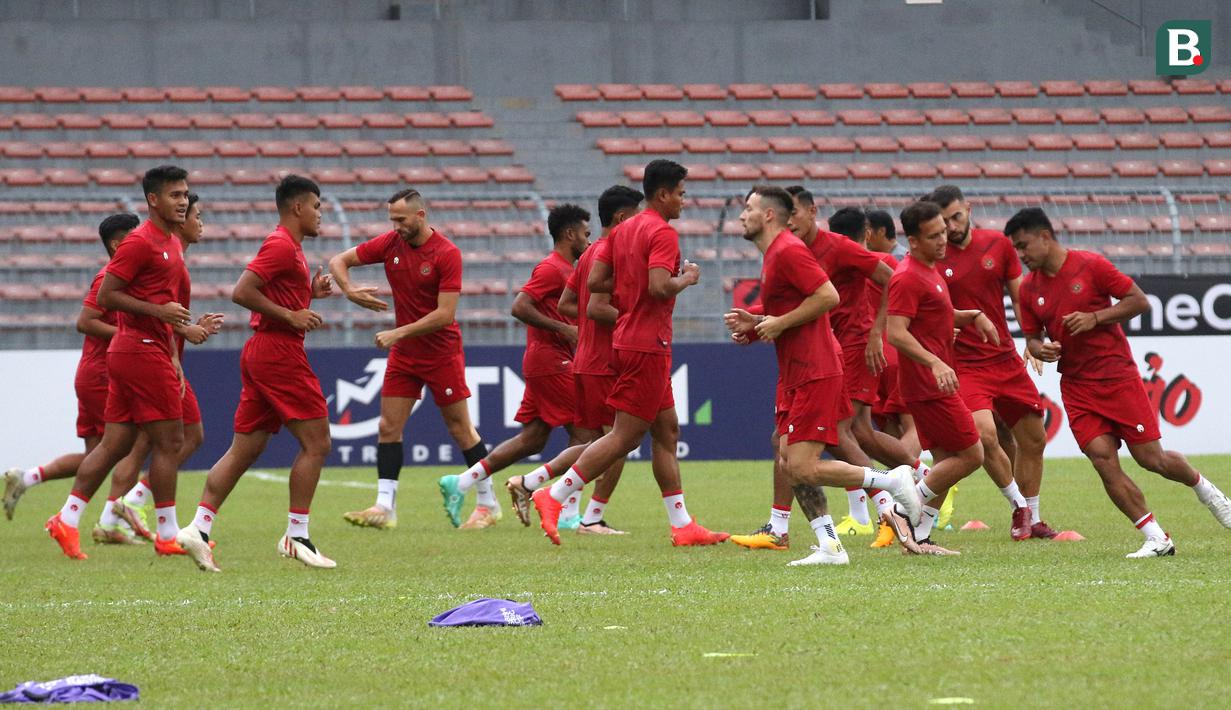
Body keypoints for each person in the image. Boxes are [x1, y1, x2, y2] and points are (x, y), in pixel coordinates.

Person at [1008, 207, 1231, 558]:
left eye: (1024, 246)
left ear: (1045, 237)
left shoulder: (1091, 266)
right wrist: (1042, 349)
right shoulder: (1029, 289)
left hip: (1116, 376)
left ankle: (1207, 491)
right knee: (1102, 458)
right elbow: (1032, 338)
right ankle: (1156, 537)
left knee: (1151, 459)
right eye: (1016, 249)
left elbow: (1138, 301)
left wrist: (1095, 317)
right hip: (1077, 385)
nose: (1021, 256)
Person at [529, 159, 726, 546]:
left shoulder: (622, 232)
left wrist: (631, 285)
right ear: (664, 194)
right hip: (646, 344)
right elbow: (658, 287)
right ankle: (552, 495)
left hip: (630, 340)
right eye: (681, 194)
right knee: (624, 437)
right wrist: (687, 277)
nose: (684, 202)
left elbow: (599, 280)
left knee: (667, 430)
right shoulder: (663, 233)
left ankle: (683, 524)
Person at [723, 186, 922, 566]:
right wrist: (759, 321)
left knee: (804, 462)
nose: (741, 216)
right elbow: (798, 306)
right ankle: (829, 544)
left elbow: (828, 296)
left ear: (768, 215)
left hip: (816, 369)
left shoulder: (787, 251)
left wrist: (778, 322)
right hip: (797, 369)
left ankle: (893, 482)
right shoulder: (775, 253)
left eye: (748, 209)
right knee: (787, 457)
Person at [177, 175, 335, 572]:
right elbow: (242, 291)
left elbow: (274, 291)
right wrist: (292, 314)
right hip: (278, 352)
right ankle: (296, 535)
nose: (321, 214)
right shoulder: (281, 244)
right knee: (317, 443)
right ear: (297, 207)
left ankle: (199, 527)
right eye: (316, 206)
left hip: (265, 351)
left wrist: (308, 292)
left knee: (245, 448)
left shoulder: (292, 249)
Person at [44, 165, 193, 561]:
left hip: (141, 349)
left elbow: (167, 304)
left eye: (185, 195)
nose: (183, 201)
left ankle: (67, 518)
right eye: (175, 195)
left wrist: (175, 349)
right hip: (138, 347)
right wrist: (158, 314)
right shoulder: (140, 241)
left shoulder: (171, 242)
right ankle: (168, 533)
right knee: (171, 441)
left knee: (115, 443)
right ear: (153, 200)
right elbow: (107, 296)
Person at [330, 189, 491, 530]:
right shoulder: (391, 244)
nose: (395, 226)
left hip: (440, 351)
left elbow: (445, 314)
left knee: (460, 429)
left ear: (420, 216)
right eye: (392, 219)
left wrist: (397, 333)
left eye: (401, 219)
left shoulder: (447, 253)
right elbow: (338, 261)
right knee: (388, 427)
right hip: (406, 354)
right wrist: (349, 290)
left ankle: (488, 504)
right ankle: (384, 508)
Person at [438, 203, 591, 529]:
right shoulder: (552, 269)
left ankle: (462, 482)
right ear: (569, 234)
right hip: (552, 360)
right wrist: (564, 329)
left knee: (533, 439)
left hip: (543, 360)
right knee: (588, 436)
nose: (588, 241)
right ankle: (561, 509)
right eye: (585, 234)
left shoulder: (568, 270)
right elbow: (519, 306)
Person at [92, 192, 223, 545]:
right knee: (164, 439)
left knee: (151, 440)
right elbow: (145, 310)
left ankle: (114, 511)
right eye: (197, 214)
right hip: (148, 357)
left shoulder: (171, 254)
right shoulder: (154, 253)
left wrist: (187, 331)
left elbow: (166, 313)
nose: (200, 222)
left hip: (156, 355)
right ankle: (140, 516)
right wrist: (176, 349)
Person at [929, 185, 1057, 541]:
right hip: (964, 365)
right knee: (983, 435)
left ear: (968, 209)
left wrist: (1032, 337)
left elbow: (1020, 294)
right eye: (943, 221)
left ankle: (1033, 519)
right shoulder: (933, 256)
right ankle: (1019, 510)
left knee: (1034, 438)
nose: (951, 227)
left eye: (956, 216)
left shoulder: (998, 245)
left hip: (1003, 358)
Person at [4, 213, 138, 522]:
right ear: (117, 245)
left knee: (97, 455)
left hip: (94, 371)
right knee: (135, 441)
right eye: (134, 237)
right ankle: (113, 520)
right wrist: (133, 337)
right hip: (104, 373)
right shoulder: (110, 277)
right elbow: (85, 322)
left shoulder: (121, 277)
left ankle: (27, 478)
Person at [886, 200, 1001, 556]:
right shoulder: (906, 276)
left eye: (943, 232)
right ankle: (902, 510)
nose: (943, 239)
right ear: (914, 241)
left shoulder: (930, 271)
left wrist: (971, 316)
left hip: (932, 382)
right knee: (972, 455)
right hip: (928, 384)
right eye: (933, 235)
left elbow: (937, 313)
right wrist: (936, 363)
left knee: (947, 461)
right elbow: (896, 332)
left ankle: (919, 539)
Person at [549, 185, 644, 535]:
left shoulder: (591, 253)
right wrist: (635, 320)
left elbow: (567, 305)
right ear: (622, 218)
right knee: (618, 442)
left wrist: (590, 325)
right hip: (607, 361)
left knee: (588, 442)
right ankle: (587, 515)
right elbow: (595, 307)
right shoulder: (613, 252)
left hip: (585, 359)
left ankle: (559, 502)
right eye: (639, 216)